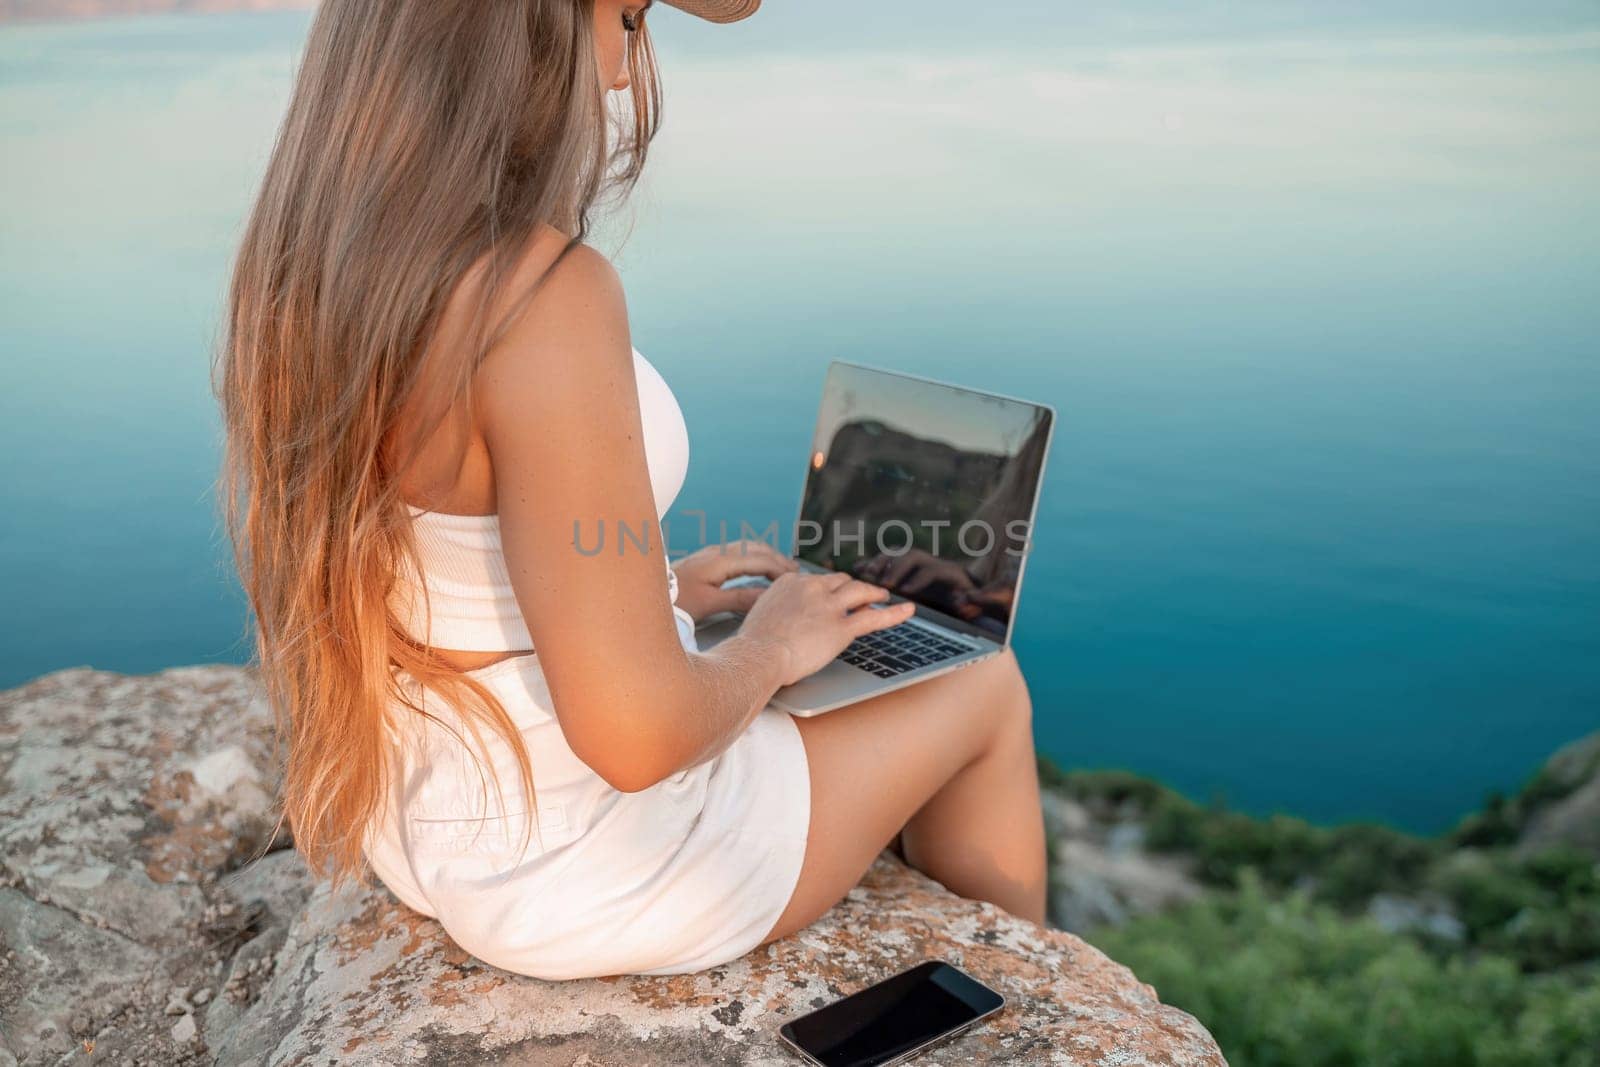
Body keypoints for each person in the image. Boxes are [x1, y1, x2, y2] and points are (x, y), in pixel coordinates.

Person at [216, 0, 1045, 981]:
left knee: (825, 649)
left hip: (432, 819)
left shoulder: (321, 263)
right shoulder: (538, 293)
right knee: (978, 681)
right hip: (588, 859)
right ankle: (1017, 998)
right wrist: (773, 646)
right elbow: (638, 734)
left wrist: (650, 594)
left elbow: (438, 548)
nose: (621, 73)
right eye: (628, 18)